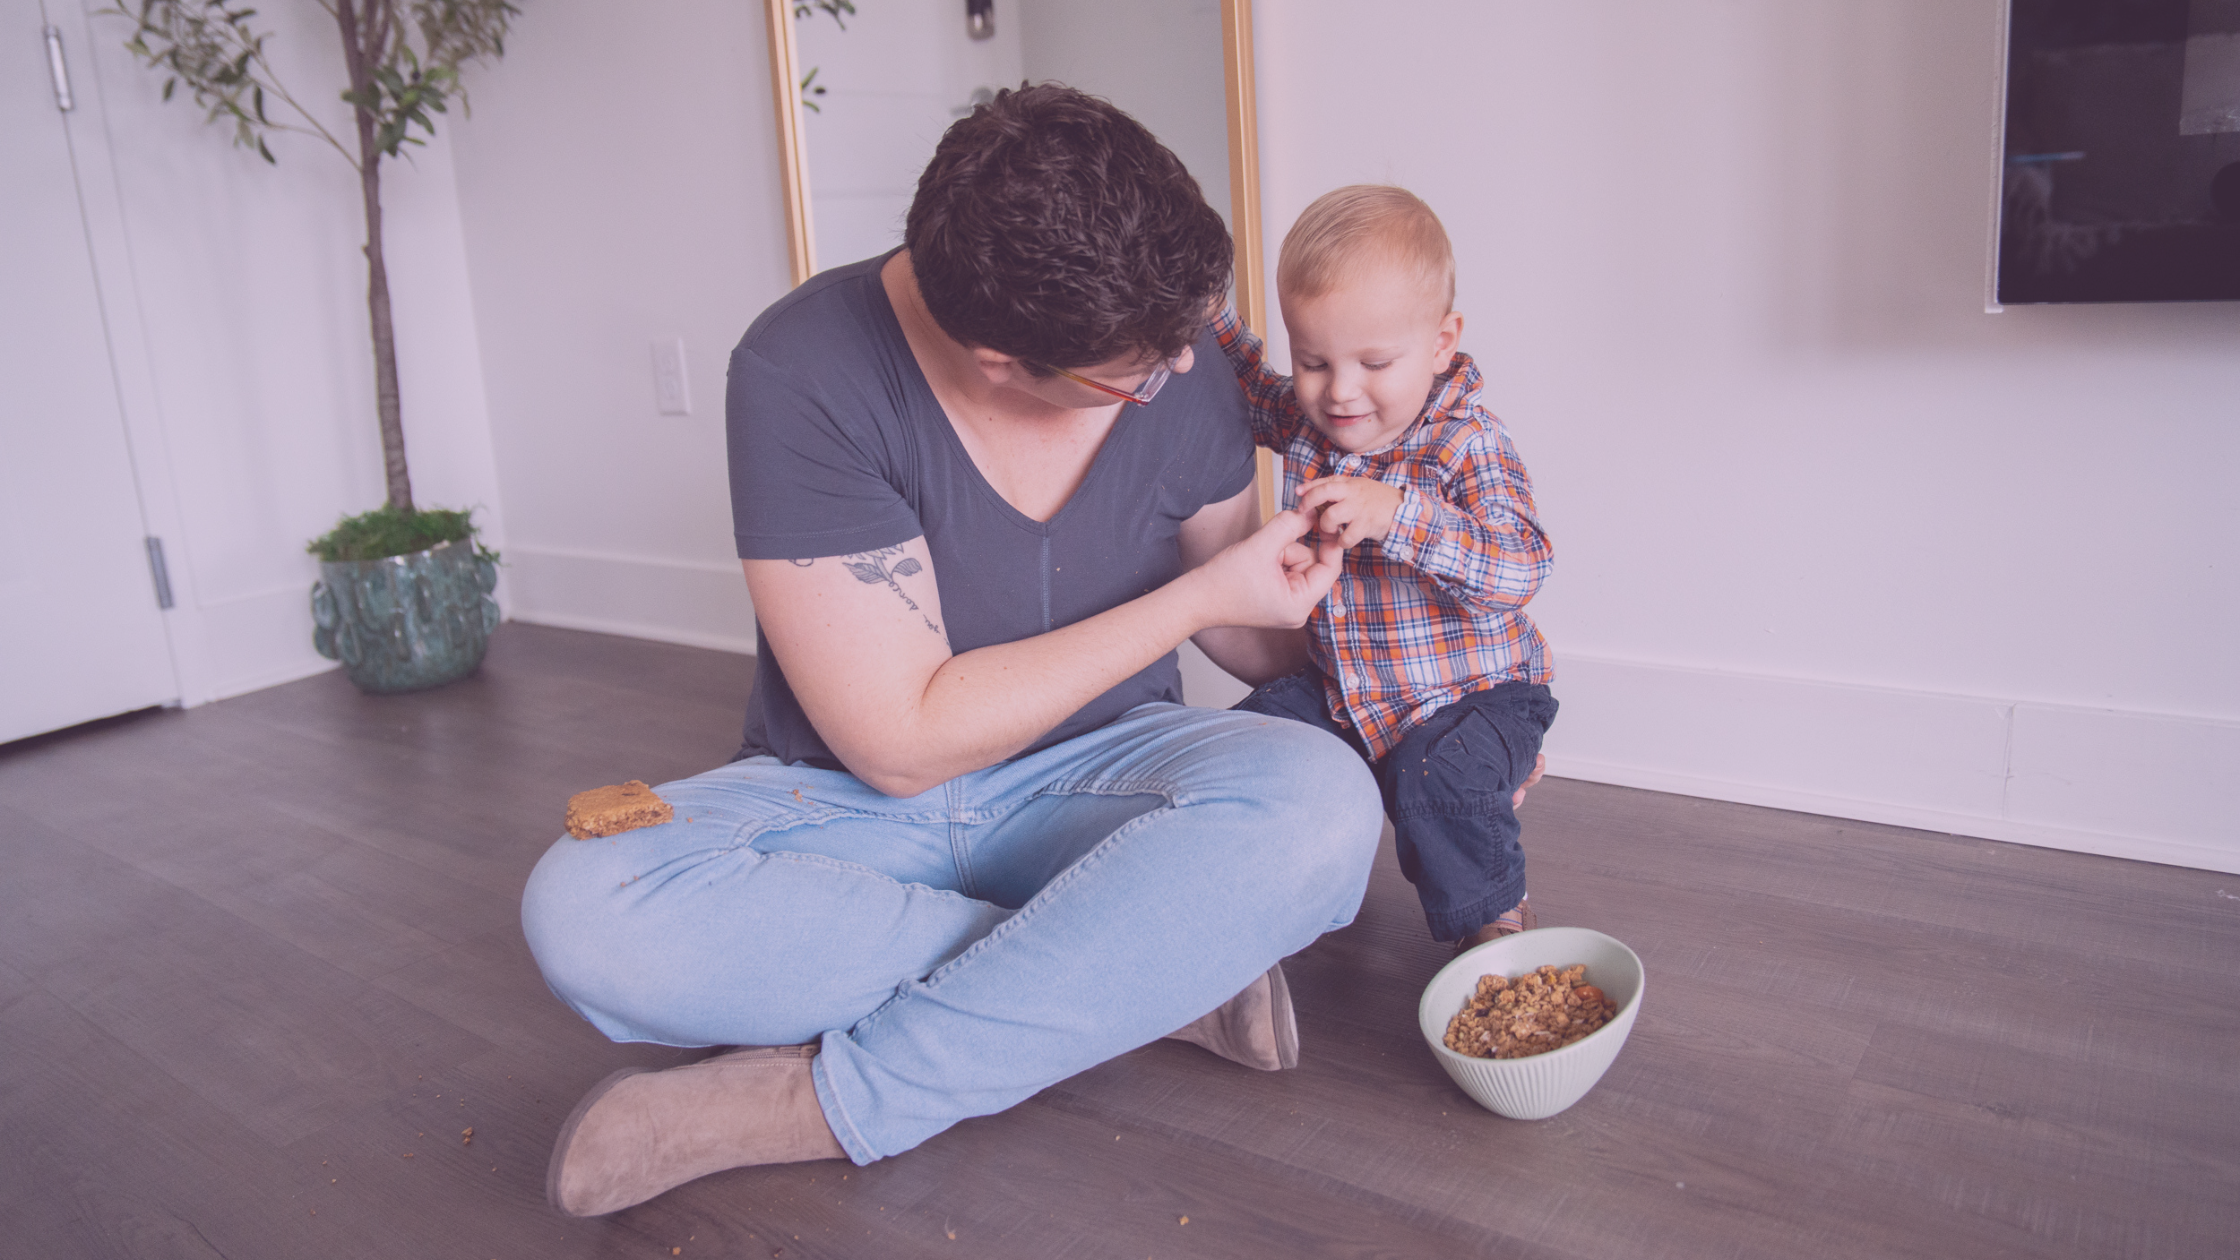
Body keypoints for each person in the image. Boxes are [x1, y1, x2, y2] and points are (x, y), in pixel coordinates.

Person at [518, 85, 1385, 1218]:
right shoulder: (803, 370)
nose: (1180, 373)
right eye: (1135, 375)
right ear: (996, 357)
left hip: (1098, 777)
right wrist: (1185, 608)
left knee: (1323, 807)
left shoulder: (1172, 341)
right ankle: (1144, 977)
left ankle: (824, 1103)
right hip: (845, 806)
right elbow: (897, 747)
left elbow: (1243, 634)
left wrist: (1406, 644)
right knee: (585, 909)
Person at [1215, 185, 1557, 954]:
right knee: (1248, 744)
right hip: (1351, 692)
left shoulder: (1465, 442)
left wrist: (1400, 514)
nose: (1339, 390)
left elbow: (1519, 568)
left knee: (1440, 778)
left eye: (1374, 362)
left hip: (1480, 698)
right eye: (1314, 360)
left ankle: (1498, 934)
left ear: (1441, 343)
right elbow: (1253, 387)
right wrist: (1211, 316)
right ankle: (1235, 913)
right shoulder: (1316, 419)